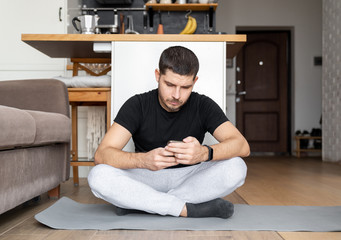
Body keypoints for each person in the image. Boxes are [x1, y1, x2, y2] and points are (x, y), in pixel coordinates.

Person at [88, 46, 250, 219]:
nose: (177, 95)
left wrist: (204, 153)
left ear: (194, 82)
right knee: (98, 176)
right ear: (158, 76)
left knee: (237, 167)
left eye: (186, 87)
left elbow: (242, 146)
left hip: (190, 177)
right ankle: (186, 209)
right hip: (146, 176)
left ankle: (142, 204)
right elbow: (102, 154)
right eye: (170, 85)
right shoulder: (137, 104)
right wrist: (143, 160)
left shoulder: (203, 105)